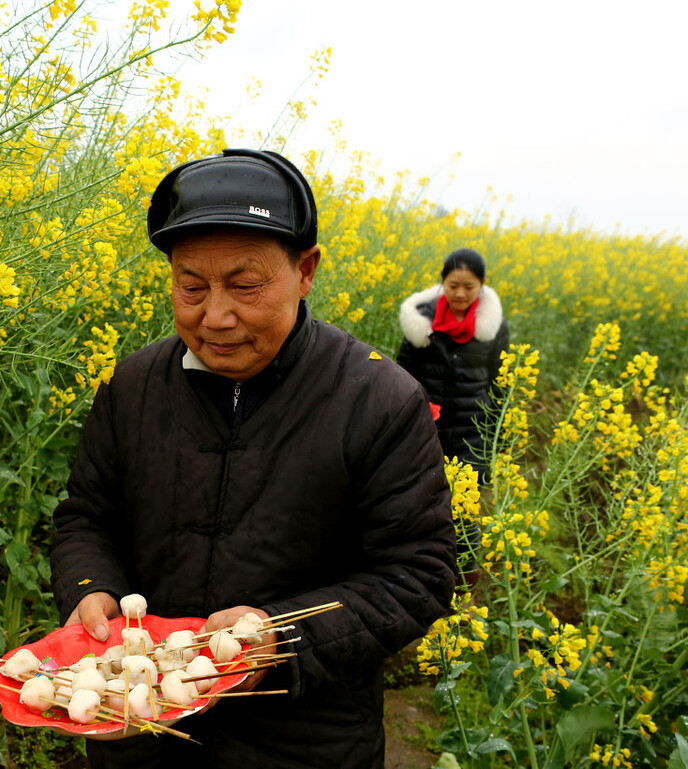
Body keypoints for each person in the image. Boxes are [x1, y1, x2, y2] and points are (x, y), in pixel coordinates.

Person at [50, 148, 456, 769]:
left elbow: (416, 574)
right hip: (141, 732)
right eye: (191, 286)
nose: (215, 316)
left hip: (306, 741)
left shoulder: (379, 399)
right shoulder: (132, 386)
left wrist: (280, 634)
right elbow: (87, 516)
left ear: (306, 270)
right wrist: (91, 589)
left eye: (245, 285)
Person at [396, 249, 510, 482]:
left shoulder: (494, 326)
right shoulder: (420, 322)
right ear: (443, 282)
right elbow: (403, 376)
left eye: (469, 287)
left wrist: (501, 435)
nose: (460, 294)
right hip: (427, 430)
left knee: (467, 505)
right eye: (452, 285)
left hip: (474, 432)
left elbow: (501, 381)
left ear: (482, 284)